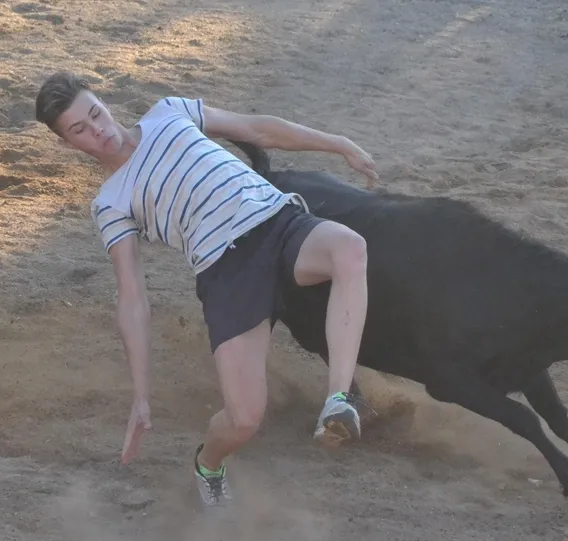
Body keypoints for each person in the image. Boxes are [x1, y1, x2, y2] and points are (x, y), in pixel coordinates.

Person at [34, 71, 376, 507]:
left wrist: (339, 143)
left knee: (349, 248)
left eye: (96, 114)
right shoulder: (110, 202)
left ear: (102, 101)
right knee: (244, 419)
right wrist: (141, 397)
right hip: (226, 271)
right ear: (67, 144)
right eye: (80, 130)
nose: (98, 130)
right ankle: (208, 464)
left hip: (276, 222)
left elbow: (256, 129)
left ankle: (337, 399)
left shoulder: (168, 113)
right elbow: (132, 298)